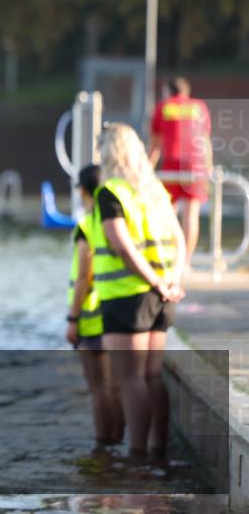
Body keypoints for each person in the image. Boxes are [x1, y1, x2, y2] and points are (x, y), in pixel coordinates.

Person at [93, 124, 186, 460]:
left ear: (108, 154)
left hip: (128, 297)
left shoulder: (110, 193)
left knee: (130, 378)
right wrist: (172, 280)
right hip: (161, 297)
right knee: (151, 376)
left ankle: (137, 457)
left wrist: (154, 281)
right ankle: (158, 450)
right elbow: (179, 238)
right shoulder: (156, 191)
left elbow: (121, 245)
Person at [65, 163, 124, 446]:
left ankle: (104, 449)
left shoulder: (86, 226)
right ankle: (122, 446)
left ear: (82, 189)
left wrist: (72, 319)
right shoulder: (116, 218)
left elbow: (82, 279)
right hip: (116, 311)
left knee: (99, 388)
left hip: (90, 318)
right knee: (115, 387)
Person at [149, 77, 212, 269]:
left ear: (168, 91)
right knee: (191, 214)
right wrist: (208, 167)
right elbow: (205, 142)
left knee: (168, 212)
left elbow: (155, 146)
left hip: (171, 165)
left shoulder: (163, 107)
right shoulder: (199, 107)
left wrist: (146, 170)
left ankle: (170, 257)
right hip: (195, 165)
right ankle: (186, 261)